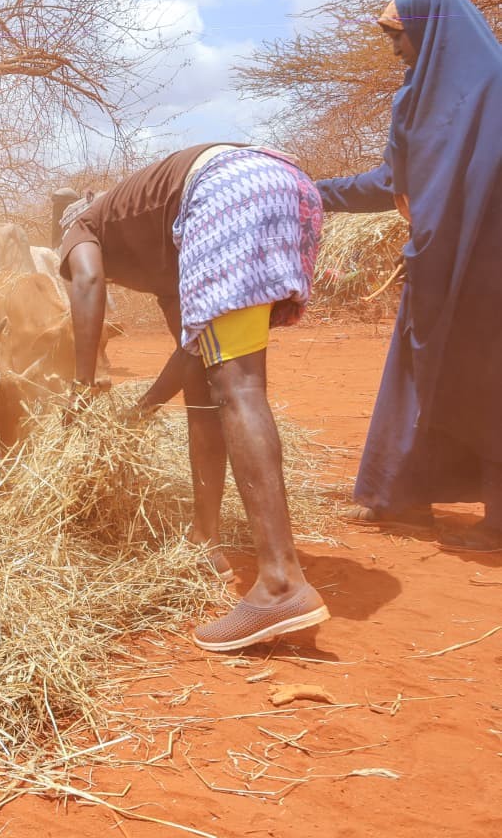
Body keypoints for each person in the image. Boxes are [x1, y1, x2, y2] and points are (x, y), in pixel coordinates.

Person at [60, 143, 327, 652]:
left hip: (231, 193)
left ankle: (280, 583)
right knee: (214, 387)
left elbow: (89, 280)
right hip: (291, 189)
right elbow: (193, 355)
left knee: (241, 387)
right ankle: (204, 539)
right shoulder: (166, 247)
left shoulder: (83, 225)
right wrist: (146, 407)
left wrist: (81, 390)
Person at [317, 0, 502, 552]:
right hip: (434, 269)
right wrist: (309, 189)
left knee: (488, 379)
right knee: (416, 375)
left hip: (489, 268)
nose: (393, 47)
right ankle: (403, 496)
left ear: (431, 28)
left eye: (397, 34)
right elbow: (391, 183)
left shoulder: (497, 89)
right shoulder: (411, 101)